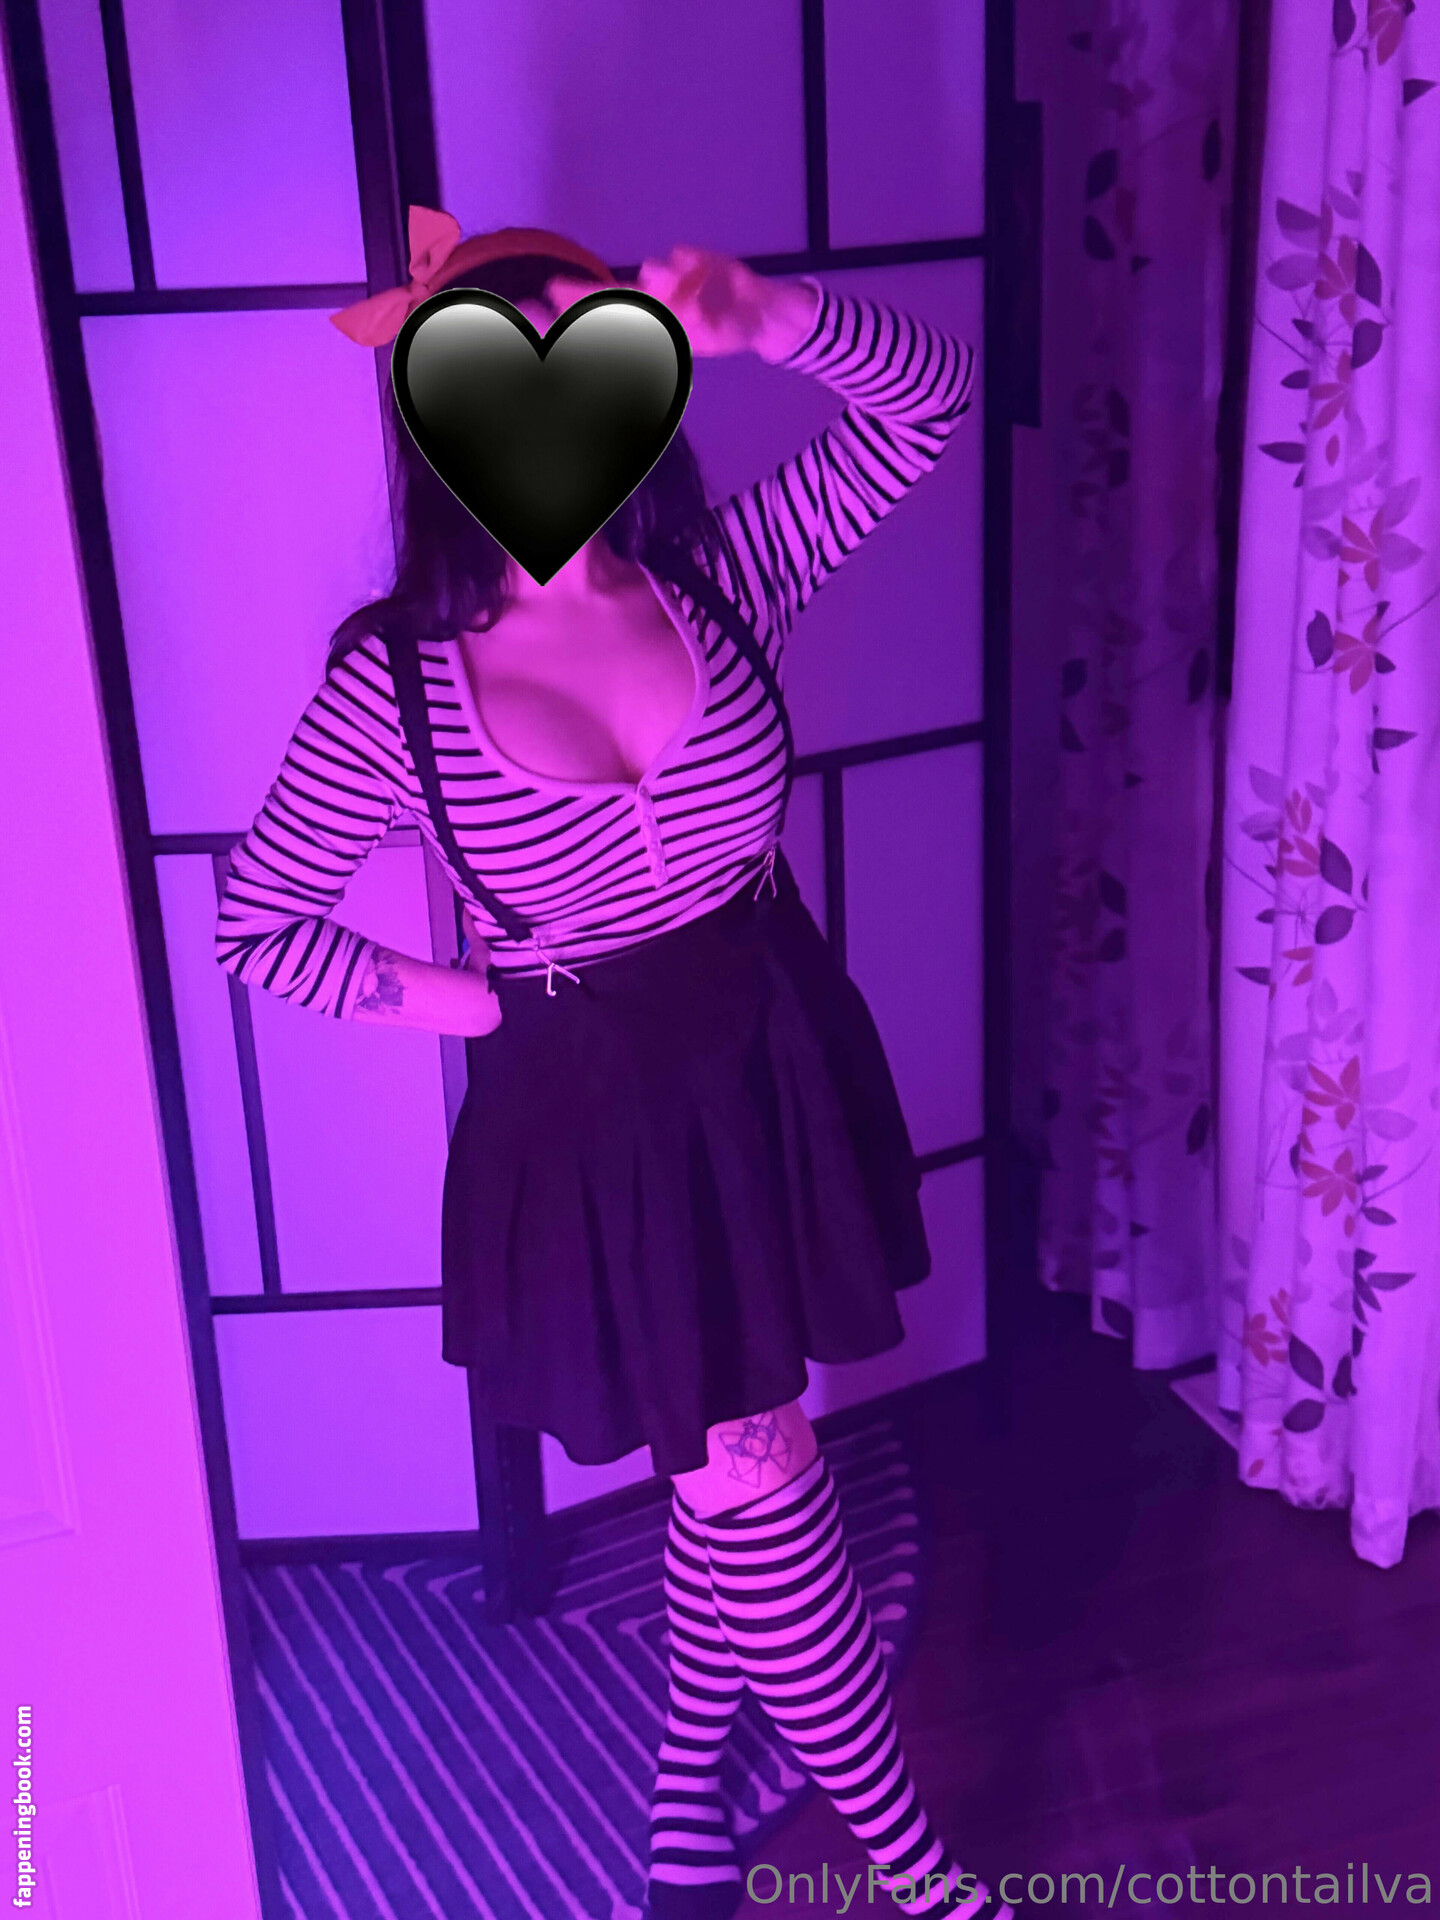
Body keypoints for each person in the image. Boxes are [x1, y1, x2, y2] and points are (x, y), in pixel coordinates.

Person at [216, 207, 1007, 1920]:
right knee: (755, 1474)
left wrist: (770, 316)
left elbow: (932, 402)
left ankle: (679, 1795)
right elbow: (258, 922)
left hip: (768, 1052)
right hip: (598, 1124)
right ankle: (919, 1875)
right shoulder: (394, 689)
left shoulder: (724, 575)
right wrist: (468, 1005)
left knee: (736, 1452)